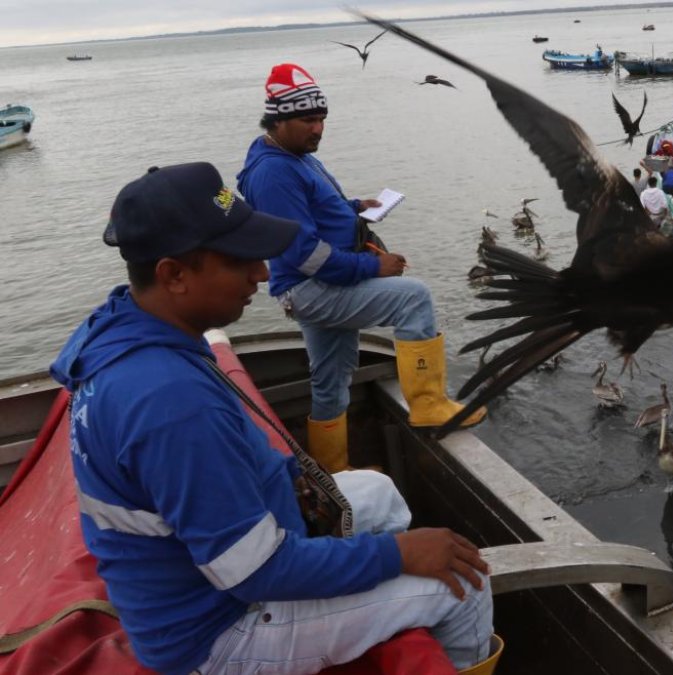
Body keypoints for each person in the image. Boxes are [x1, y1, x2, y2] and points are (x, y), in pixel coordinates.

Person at [50, 162, 495, 675]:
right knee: (465, 588)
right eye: (240, 259)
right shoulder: (168, 401)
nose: (261, 274)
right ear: (173, 274)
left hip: (215, 564)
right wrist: (397, 557)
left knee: (380, 494)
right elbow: (254, 571)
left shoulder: (125, 326)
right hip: (217, 630)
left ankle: (387, 628)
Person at [237, 63, 485, 475]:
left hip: (313, 285)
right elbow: (306, 255)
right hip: (310, 287)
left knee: (331, 380)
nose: (318, 129)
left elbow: (310, 210)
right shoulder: (273, 172)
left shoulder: (292, 155)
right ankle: (428, 406)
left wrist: (354, 207)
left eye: (321, 119)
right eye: (307, 120)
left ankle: (333, 471)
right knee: (414, 299)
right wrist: (374, 265)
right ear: (278, 119)